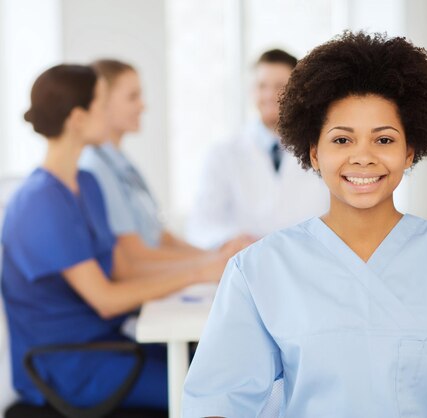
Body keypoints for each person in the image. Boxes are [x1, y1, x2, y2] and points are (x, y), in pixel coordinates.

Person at [182, 32, 427, 417]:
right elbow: (218, 401)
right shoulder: (258, 272)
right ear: (314, 153)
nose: (363, 157)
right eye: (342, 140)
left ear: (410, 152)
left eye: (384, 140)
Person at [1, 64, 234, 410]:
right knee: (218, 395)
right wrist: (198, 273)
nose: (107, 112)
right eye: (100, 103)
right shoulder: (40, 201)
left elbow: (123, 267)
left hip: (110, 344)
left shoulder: (87, 185)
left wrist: (213, 263)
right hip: (72, 365)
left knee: (227, 366)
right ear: (78, 117)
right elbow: (105, 299)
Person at [80, 59, 250, 261]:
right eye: (132, 97)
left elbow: (160, 236)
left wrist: (220, 257)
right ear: (102, 102)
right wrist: (210, 263)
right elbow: (133, 255)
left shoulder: (123, 163)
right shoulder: (95, 167)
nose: (143, 105)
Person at [186, 49, 329, 249]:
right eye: (262, 86)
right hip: (247, 266)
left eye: (280, 86)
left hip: (309, 263)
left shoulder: (323, 149)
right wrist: (233, 239)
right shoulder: (223, 154)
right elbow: (201, 225)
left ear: (298, 91)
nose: (270, 95)